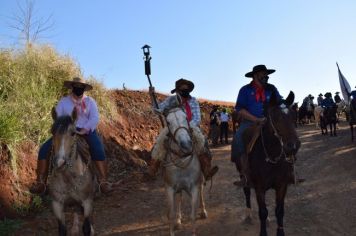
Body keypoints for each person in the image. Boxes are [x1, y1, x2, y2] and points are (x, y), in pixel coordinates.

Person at [30, 77, 114, 195]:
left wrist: (85, 130)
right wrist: (58, 128)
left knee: (97, 147)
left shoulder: (90, 102)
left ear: (84, 88)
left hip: (86, 130)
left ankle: (103, 182)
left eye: (81, 87)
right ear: (72, 87)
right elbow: (58, 118)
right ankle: (41, 183)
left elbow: (94, 118)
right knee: (44, 149)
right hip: (66, 132)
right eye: (76, 87)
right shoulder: (64, 102)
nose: (78, 89)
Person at [148, 78, 219, 180]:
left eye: (186, 89)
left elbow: (197, 118)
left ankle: (206, 168)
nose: (185, 91)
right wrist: (152, 96)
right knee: (160, 141)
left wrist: (187, 127)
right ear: (177, 90)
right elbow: (157, 110)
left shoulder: (193, 101)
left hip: (191, 126)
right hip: (173, 127)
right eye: (182, 89)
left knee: (201, 141)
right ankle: (153, 168)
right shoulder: (171, 100)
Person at [233, 65, 281, 186]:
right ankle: (244, 174)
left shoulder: (271, 89)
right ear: (255, 76)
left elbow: (279, 103)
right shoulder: (245, 90)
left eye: (266, 74)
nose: (266, 76)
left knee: (288, 135)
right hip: (250, 121)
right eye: (263, 74)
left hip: (270, 120)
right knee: (238, 138)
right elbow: (240, 109)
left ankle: (291, 171)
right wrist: (256, 119)